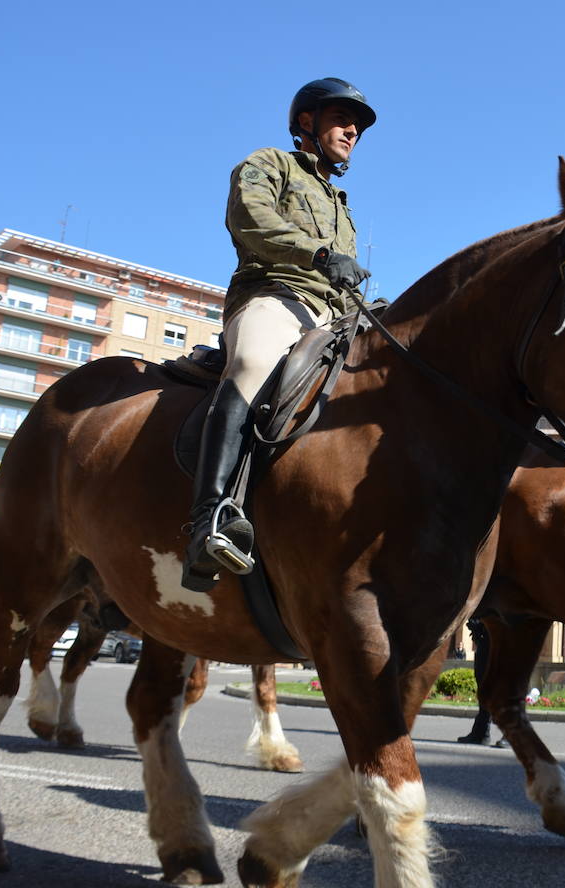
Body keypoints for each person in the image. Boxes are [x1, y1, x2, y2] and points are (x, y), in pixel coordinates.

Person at [183, 79, 376, 591]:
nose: (353, 130)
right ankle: (212, 517)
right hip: (275, 297)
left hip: (335, 317)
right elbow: (250, 218)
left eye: (356, 125)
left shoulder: (342, 203)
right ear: (306, 122)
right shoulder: (270, 163)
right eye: (341, 117)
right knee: (252, 364)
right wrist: (315, 254)